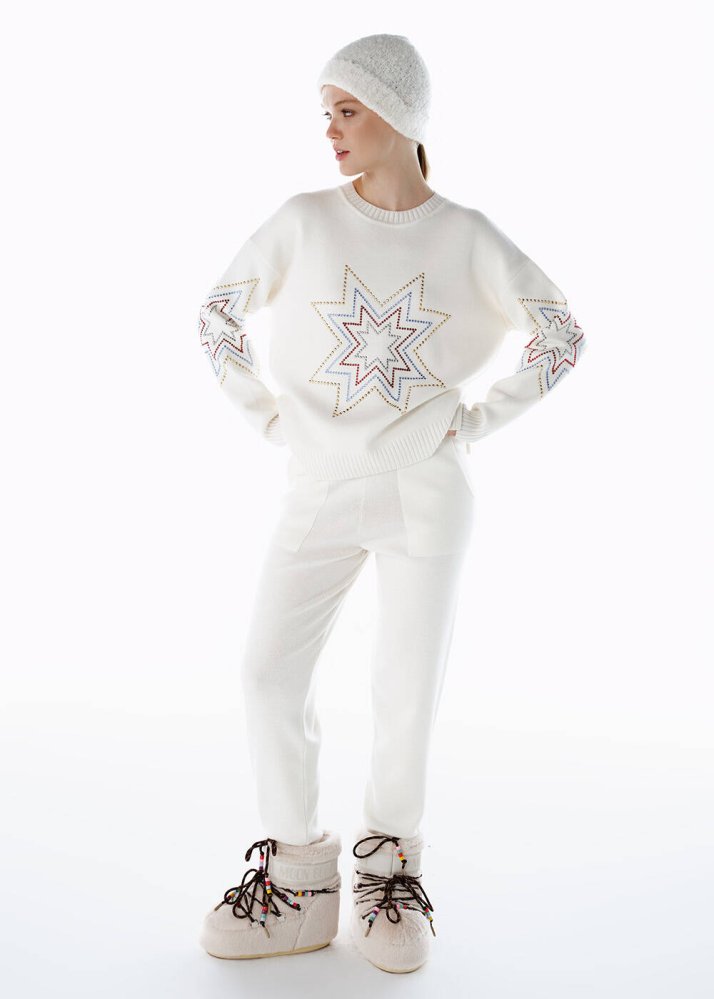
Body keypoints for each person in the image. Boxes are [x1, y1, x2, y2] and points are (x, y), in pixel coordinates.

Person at [196, 33, 587, 974]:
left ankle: (389, 872)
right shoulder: (302, 221)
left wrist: (474, 421)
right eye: (326, 113)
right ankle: (299, 880)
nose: (330, 130)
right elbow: (216, 315)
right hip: (319, 482)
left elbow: (561, 333)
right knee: (266, 673)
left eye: (349, 111)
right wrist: (271, 419)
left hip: (425, 490)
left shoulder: (467, 237)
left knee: (405, 691)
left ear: (401, 116)